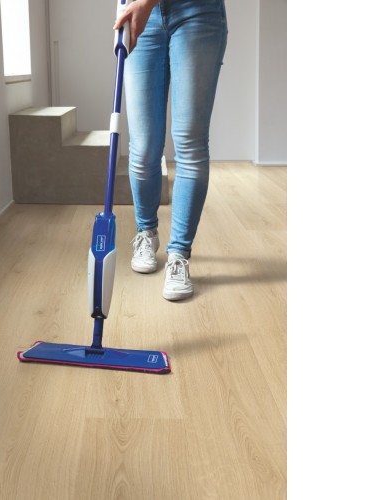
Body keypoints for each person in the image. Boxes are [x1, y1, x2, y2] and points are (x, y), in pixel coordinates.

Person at [114, 0, 228, 301]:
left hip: (198, 11)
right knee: (143, 146)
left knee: (189, 141)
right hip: (140, 15)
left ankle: (178, 254)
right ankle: (146, 233)